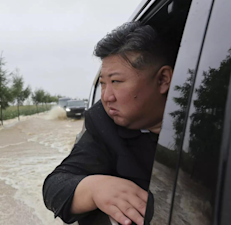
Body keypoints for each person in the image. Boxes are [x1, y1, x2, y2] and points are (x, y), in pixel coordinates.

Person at [43, 22, 176, 225]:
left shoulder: (207, 125)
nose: (106, 97)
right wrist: (94, 188)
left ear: (163, 80)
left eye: (116, 82)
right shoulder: (103, 124)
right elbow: (55, 186)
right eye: (103, 84)